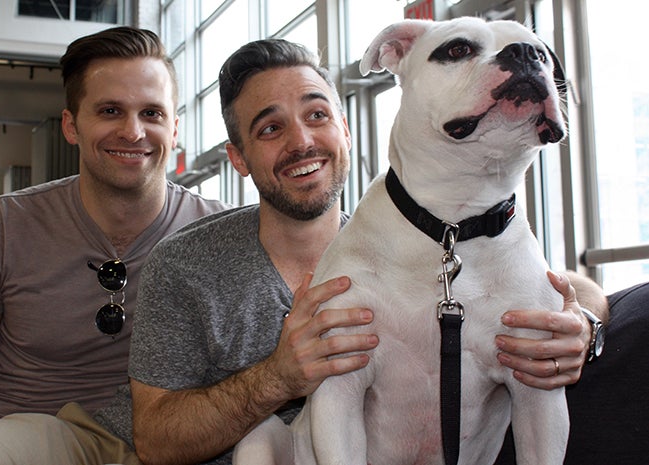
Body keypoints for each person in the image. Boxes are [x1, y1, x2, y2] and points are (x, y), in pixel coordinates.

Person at [126, 38, 609, 465]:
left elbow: (555, 286)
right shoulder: (185, 264)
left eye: (318, 115)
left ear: (346, 129)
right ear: (238, 159)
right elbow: (154, 442)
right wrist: (280, 376)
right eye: (270, 129)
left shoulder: (434, 235)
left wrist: (583, 327)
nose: (302, 141)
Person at [0, 26, 227, 464]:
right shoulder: (6, 225)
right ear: (71, 125)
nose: (133, 131)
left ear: (174, 128)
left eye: (152, 113)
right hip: (12, 437)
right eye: (110, 110)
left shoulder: (217, 233)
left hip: (151, 446)